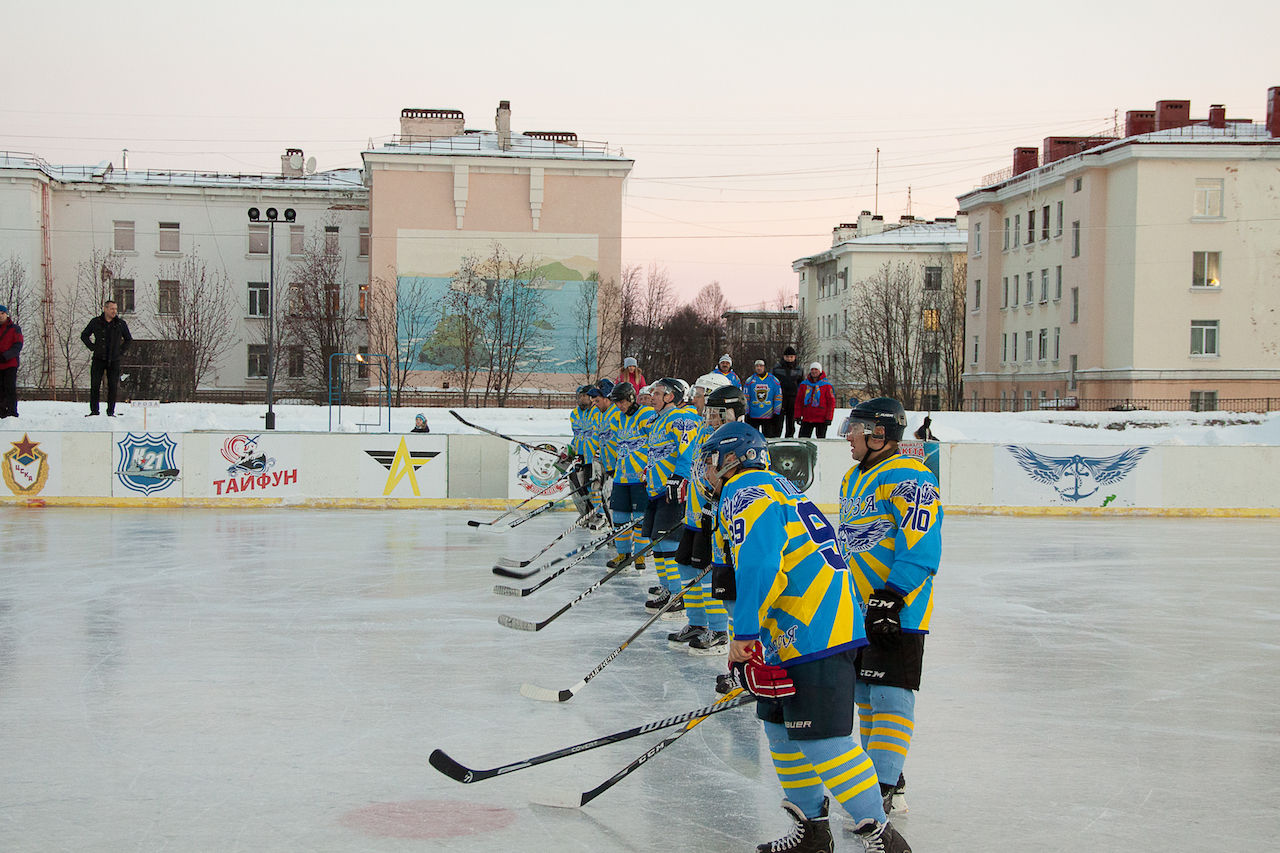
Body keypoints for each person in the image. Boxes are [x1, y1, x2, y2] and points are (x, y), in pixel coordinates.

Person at [702, 421, 911, 853]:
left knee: (824, 740)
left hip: (816, 634)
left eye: (710, 460)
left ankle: (883, 837)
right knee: (781, 731)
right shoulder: (773, 486)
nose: (705, 470)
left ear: (732, 459)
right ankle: (812, 833)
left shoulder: (746, 494)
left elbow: (761, 566)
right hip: (795, 635)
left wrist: (744, 636)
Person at [836, 397, 943, 821]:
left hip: (899, 608)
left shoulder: (909, 476)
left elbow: (922, 542)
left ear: (880, 434)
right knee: (864, 696)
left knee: (891, 694)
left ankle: (882, 785)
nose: (849, 435)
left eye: (856, 428)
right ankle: (884, 778)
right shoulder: (852, 478)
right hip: (859, 607)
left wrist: (893, 596)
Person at [667, 373, 734, 655]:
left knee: (709, 574)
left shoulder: (731, 436)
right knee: (686, 566)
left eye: (700, 394)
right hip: (694, 515)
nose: (695, 399)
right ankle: (696, 622)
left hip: (713, 519)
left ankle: (718, 630)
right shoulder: (703, 431)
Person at [642, 378, 700, 619]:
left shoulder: (680, 418)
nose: (651, 397)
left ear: (670, 396)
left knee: (668, 544)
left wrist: (680, 477)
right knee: (657, 543)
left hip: (672, 491)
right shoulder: (657, 421)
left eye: (657, 393)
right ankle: (668, 589)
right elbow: (657, 452)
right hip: (656, 490)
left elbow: (688, 449)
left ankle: (679, 596)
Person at [605, 382, 654, 570]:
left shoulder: (646, 415)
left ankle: (640, 555)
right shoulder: (618, 418)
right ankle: (623, 554)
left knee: (640, 517)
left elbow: (655, 442)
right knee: (619, 516)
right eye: (617, 402)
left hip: (640, 477)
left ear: (631, 398)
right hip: (621, 476)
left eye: (622, 401)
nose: (619, 405)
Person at [81, 300, 133, 417]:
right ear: (105, 309)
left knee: (113, 386)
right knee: (95, 385)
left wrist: (120, 351)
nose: (114, 311)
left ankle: (110, 411)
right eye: (112, 309)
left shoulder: (120, 323)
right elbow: (84, 335)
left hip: (114, 359)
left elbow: (128, 339)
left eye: (115, 309)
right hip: (98, 359)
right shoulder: (96, 322)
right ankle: (94, 411)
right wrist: (93, 347)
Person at [795, 362, 835, 438]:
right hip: (807, 418)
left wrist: (829, 418)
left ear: (820, 371)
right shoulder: (804, 385)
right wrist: (797, 415)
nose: (814, 371)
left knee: (821, 441)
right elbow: (799, 401)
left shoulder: (826, 385)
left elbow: (831, 403)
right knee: (803, 439)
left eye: (816, 369)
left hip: (821, 419)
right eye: (812, 369)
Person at [743, 359, 782, 437]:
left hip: (768, 416)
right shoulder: (750, 381)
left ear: (764, 367)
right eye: (757, 366)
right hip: (753, 416)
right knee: (753, 438)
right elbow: (745, 398)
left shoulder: (773, 380)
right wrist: (746, 412)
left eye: (761, 366)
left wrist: (776, 412)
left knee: (768, 439)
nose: (759, 368)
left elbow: (778, 397)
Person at [771, 345, 804, 439]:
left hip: (793, 398)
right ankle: (776, 439)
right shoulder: (777, 369)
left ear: (794, 357)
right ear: (784, 357)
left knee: (791, 422)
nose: (789, 359)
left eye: (791, 357)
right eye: (787, 357)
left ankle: (789, 438)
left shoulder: (798, 369)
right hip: (780, 398)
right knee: (778, 421)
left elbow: (801, 384)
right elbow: (773, 383)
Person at [0, 306, 23, 419]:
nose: (0, 315)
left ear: (7, 314)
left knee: (9, 387)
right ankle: (2, 411)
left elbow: (18, 345)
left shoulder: (14, 329)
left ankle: (12, 411)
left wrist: (5, 356)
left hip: (10, 363)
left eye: (2, 313)